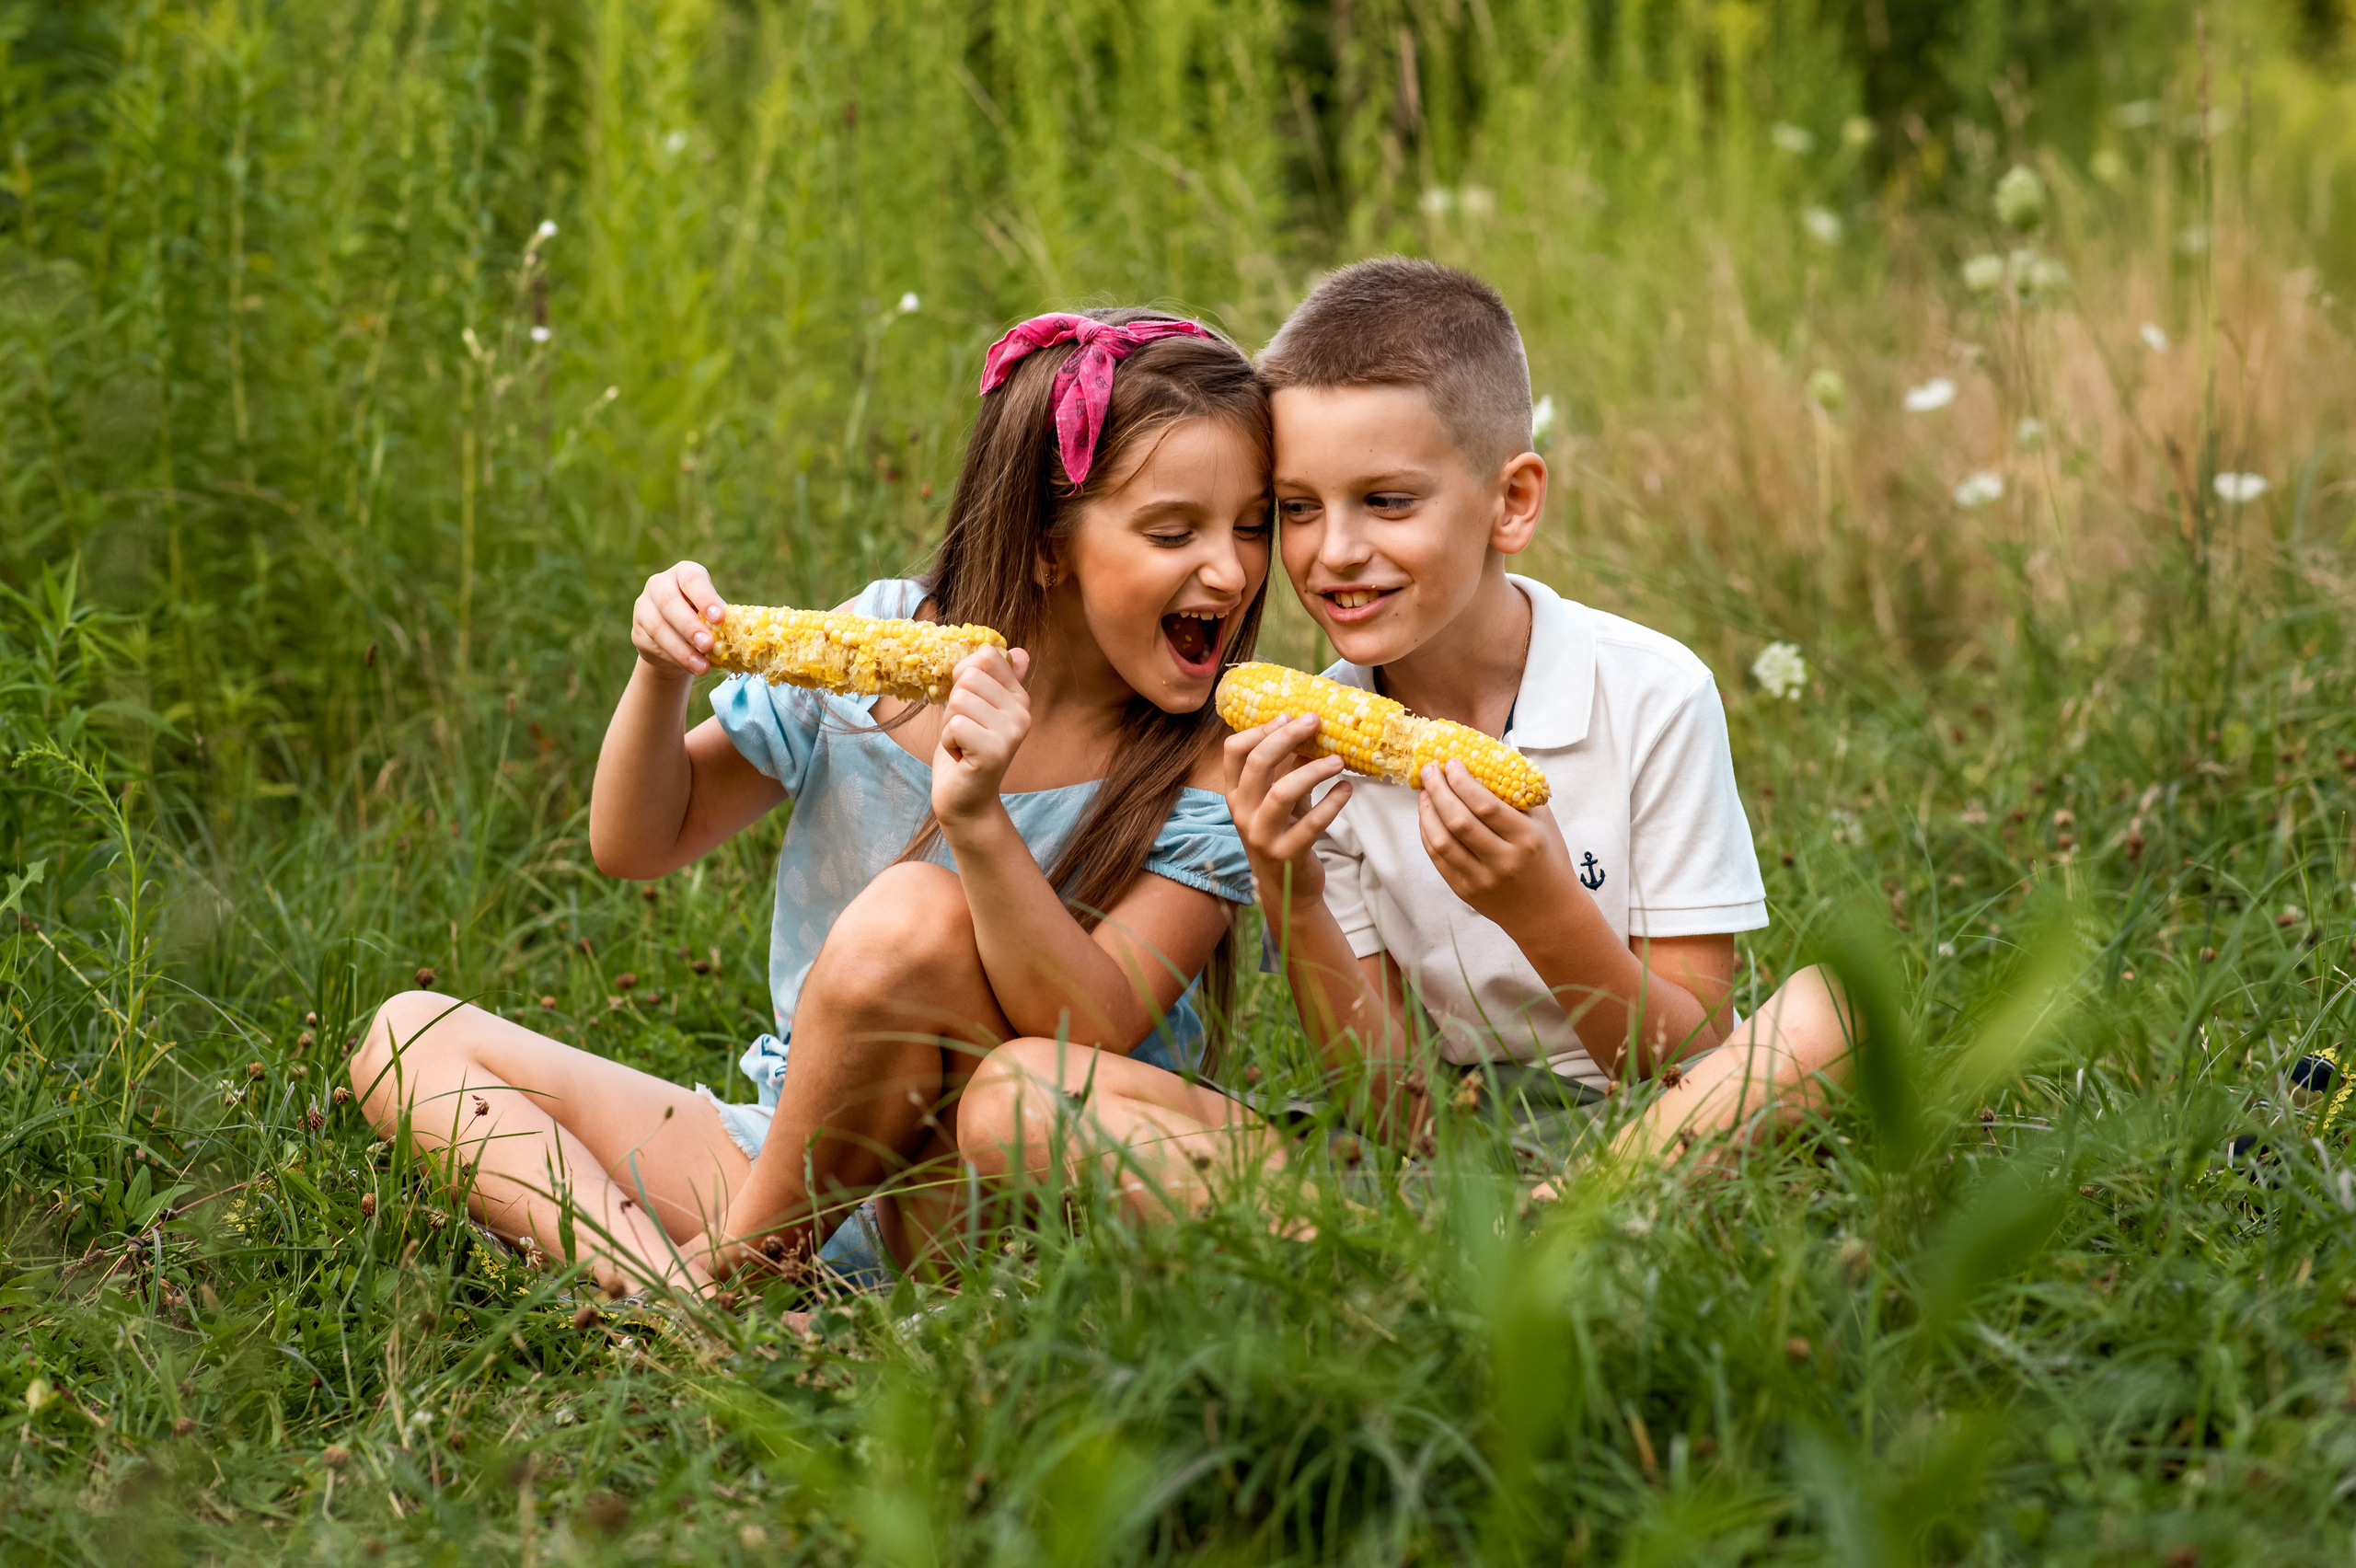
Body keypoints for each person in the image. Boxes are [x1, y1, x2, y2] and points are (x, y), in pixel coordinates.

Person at [349, 308, 1271, 1297]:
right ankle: (663, 1299)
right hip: (799, 1147)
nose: (1230, 568)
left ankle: (738, 1280)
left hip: (987, 1191)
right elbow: (637, 840)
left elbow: (1084, 1031)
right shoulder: (875, 651)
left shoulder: (1212, 765)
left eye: (1254, 524)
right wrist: (660, 673)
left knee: (912, 917)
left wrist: (977, 820)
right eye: (1174, 530)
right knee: (410, 1040)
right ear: (1049, 545)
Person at [955, 259, 1854, 1205]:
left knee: (1833, 1009)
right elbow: (1387, 1106)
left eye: (1386, 502)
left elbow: (1694, 1060)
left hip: (1643, 1128)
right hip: (1430, 1153)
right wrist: (1290, 891)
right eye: (1295, 509)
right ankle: (1434, 1249)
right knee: (1016, 1095)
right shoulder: (1303, 748)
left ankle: (1570, 1217)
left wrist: (1543, 912)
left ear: (1510, 503)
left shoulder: (1650, 694)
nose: (1334, 552)